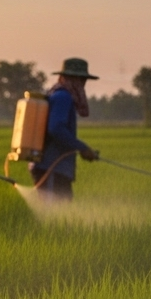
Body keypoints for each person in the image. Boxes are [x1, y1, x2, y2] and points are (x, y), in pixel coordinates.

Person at [30, 58, 100, 200]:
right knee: (53, 215)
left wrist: (81, 149)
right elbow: (56, 128)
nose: (83, 84)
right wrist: (82, 148)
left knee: (62, 216)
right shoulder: (63, 97)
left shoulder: (58, 95)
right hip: (51, 167)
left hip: (56, 168)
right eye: (82, 79)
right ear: (75, 79)